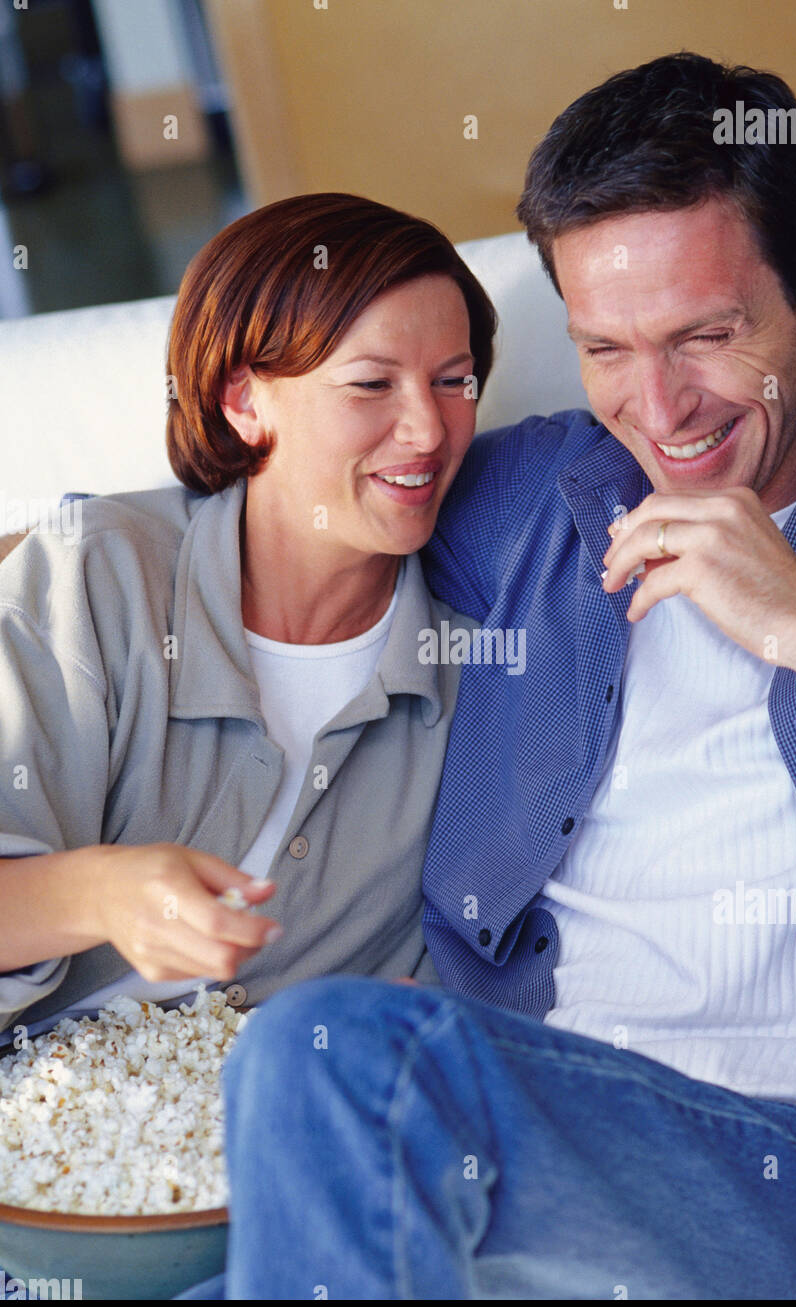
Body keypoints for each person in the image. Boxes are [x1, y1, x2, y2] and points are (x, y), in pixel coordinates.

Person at [219, 54, 796, 1299]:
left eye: (706, 336)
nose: (656, 409)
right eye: (604, 348)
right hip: (529, 1152)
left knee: (334, 1055)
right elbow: (284, 508)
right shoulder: (538, 496)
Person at [0, 192, 496, 1044]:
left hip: (288, 1130)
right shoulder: (97, 575)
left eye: (453, 382)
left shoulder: (477, 650)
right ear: (244, 400)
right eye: (371, 383)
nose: (426, 430)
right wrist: (101, 892)